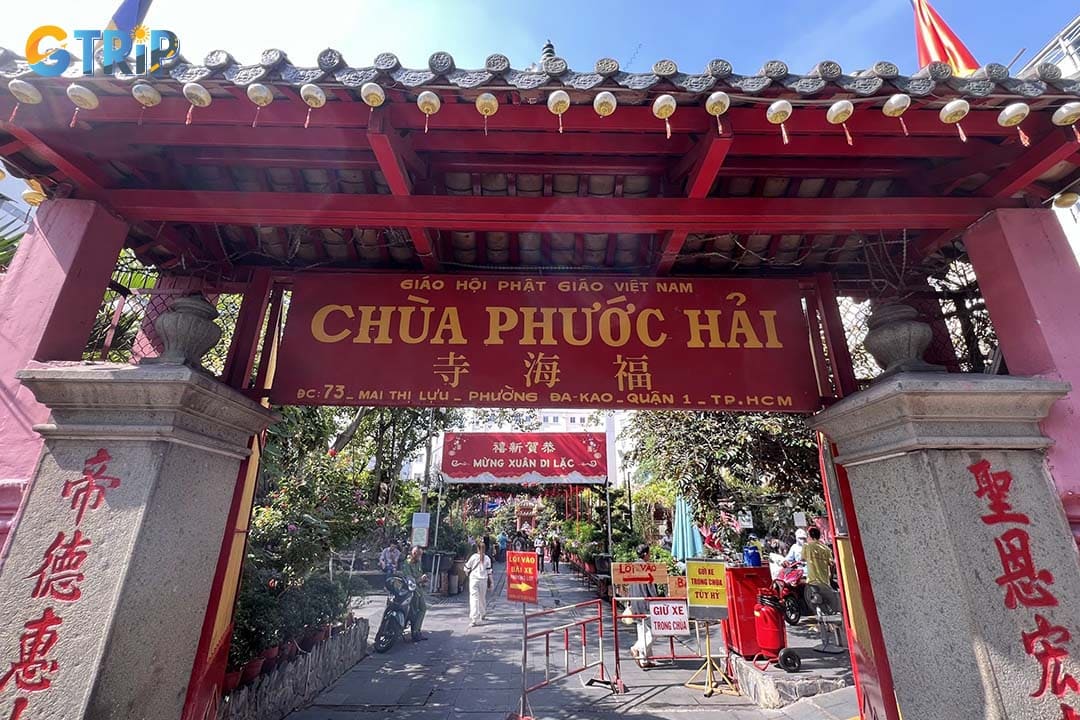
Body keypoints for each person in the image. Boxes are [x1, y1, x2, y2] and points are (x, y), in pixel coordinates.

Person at [629, 544, 657, 668]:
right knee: (653, 632)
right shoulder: (646, 568)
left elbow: (629, 584)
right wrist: (656, 600)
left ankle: (644, 660)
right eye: (649, 553)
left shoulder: (632, 567)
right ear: (645, 554)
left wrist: (629, 602)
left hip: (635, 602)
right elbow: (651, 587)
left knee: (641, 630)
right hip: (645, 603)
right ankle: (637, 648)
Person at [802, 527, 840, 614]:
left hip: (812, 580)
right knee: (826, 604)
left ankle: (820, 617)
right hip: (824, 581)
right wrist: (831, 575)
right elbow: (832, 564)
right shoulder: (826, 549)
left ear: (810, 536)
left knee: (814, 601)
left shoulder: (807, 546)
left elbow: (803, 558)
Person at [401, 545, 429, 641]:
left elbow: (419, 574)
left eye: (420, 554)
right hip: (411, 591)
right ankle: (415, 632)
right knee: (416, 610)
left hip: (418, 590)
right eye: (417, 554)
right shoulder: (407, 563)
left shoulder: (418, 563)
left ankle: (416, 631)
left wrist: (423, 579)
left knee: (422, 609)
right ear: (412, 553)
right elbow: (409, 579)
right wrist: (419, 579)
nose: (418, 556)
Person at [463, 541, 493, 626]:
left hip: (474, 579)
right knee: (482, 598)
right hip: (483, 580)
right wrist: (491, 582)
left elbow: (466, 568)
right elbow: (489, 571)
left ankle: (474, 618)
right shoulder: (487, 558)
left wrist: (467, 575)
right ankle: (482, 613)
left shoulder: (473, 557)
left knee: (474, 598)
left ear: (477, 548)